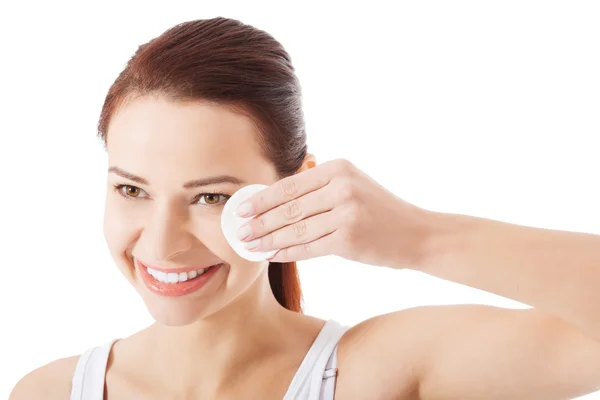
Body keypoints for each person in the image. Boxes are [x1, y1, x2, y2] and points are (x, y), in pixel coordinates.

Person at [10, 16, 600, 400]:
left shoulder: (373, 375)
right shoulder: (48, 392)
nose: (162, 245)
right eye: (132, 190)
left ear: (298, 189)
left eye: (211, 197)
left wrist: (418, 238)